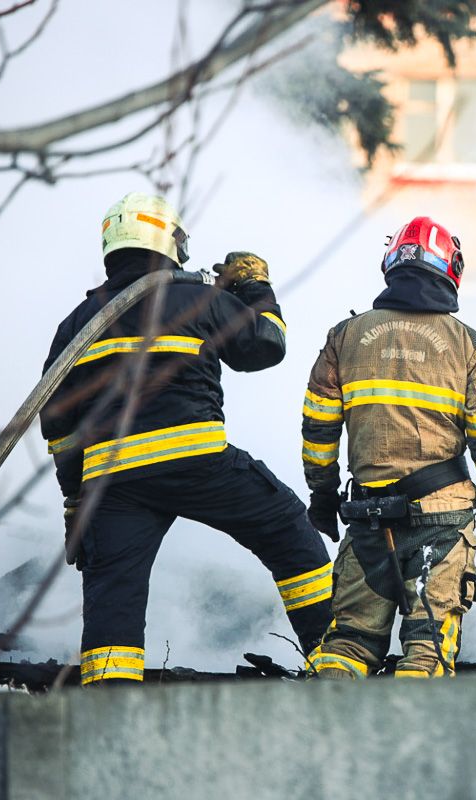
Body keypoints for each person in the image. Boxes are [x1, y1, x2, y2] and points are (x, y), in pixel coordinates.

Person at [40, 191, 332, 685]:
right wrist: (255, 287)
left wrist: (76, 502)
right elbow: (266, 344)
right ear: (168, 240)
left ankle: (111, 706)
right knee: (288, 532)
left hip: (114, 482)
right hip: (197, 462)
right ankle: (336, 661)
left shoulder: (76, 323)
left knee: (114, 594)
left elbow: (58, 426)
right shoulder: (195, 297)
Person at [300, 216, 476, 679]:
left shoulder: (345, 336)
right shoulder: (468, 346)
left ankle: (319, 740)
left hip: (368, 518)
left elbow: (318, 432)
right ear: (450, 269)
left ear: (392, 263)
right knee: (427, 650)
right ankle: (409, 746)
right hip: (441, 520)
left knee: (347, 645)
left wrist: (322, 496)